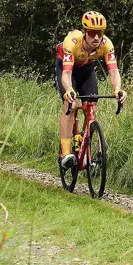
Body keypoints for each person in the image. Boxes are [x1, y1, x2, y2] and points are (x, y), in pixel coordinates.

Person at [54, 11, 125, 169]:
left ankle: (86, 145)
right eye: (92, 33)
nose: (96, 38)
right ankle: (65, 154)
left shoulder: (106, 44)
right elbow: (66, 73)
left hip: (86, 70)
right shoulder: (71, 42)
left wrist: (118, 89)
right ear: (85, 33)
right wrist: (69, 89)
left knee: (91, 106)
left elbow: (113, 71)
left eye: (99, 33)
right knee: (69, 104)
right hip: (67, 69)